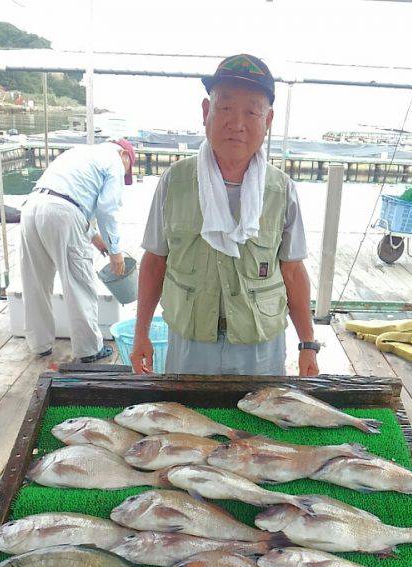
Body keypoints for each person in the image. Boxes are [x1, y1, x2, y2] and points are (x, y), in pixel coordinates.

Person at [131, 54, 319, 377]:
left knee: (258, 425)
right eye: (226, 108)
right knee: (185, 423)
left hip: (260, 346)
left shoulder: (281, 190)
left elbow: (292, 271)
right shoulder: (174, 183)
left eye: (251, 111)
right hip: (190, 342)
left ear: (268, 120)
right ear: (206, 112)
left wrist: (308, 344)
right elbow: (155, 261)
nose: (237, 123)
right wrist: (140, 334)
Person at [20, 138, 136, 362]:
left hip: (32, 206)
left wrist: (95, 238)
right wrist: (115, 251)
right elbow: (106, 210)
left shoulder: (81, 153)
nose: (125, 175)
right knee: (79, 282)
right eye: (128, 170)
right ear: (124, 155)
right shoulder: (113, 161)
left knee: (34, 281)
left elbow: (67, 197)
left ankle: (40, 344)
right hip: (62, 213)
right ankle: (89, 349)